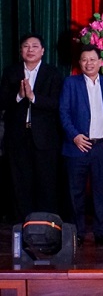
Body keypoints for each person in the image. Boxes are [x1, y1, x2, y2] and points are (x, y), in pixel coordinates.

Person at [0, 33, 63, 220]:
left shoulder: (53, 73)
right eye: (26, 46)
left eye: (35, 46)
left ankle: (45, 224)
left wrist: (33, 97)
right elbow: (2, 102)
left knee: (46, 182)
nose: (30, 50)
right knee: (20, 182)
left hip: (45, 138)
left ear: (42, 51)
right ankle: (22, 224)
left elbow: (57, 104)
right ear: (21, 50)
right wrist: (19, 96)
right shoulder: (11, 72)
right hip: (18, 137)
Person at [59, 45, 103, 246]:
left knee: (102, 191)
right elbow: (63, 112)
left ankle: (101, 232)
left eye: (93, 59)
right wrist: (74, 136)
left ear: (101, 62)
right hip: (78, 146)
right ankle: (78, 232)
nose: (89, 63)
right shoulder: (70, 83)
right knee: (75, 192)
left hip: (102, 147)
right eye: (84, 59)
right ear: (79, 63)